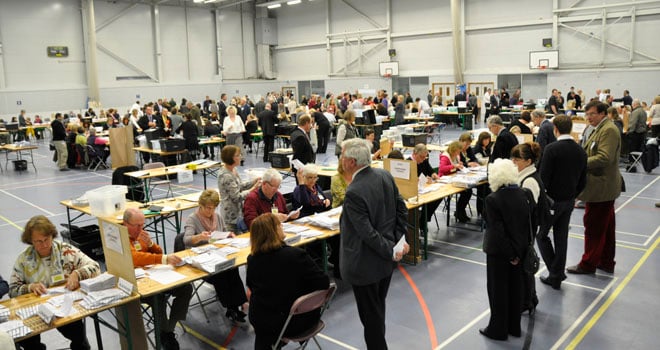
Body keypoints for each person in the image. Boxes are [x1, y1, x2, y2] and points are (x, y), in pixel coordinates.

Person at [339, 138, 409, 349]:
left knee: (370, 318)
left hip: (365, 266)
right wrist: (397, 243)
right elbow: (401, 210)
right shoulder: (384, 175)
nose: (340, 160)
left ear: (351, 162)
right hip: (385, 264)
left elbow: (367, 233)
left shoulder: (354, 192)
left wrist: (392, 250)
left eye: (342, 157)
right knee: (378, 310)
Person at [10, 215, 101, 350]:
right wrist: (30, 287)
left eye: (47, 239)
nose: (44, 244)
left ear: (52, 236)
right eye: (38, 241)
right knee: (28, 341)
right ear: (31, 241)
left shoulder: (64, 250)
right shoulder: (24, 259)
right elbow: (12, 290)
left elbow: (95, 267)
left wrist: (77, 274)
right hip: (35, 309)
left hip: (62, 305)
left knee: (78, 335)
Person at [246, 213, 330, 349]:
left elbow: (251, 287)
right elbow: (323, 282)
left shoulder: (253, 260)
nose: (282, 227)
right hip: (302, 319)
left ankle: (273, 344)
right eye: (279, 225)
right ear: (274, 231)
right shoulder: (296, 255)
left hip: (272, 324)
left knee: (258, 305)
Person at [123, 208, 193, 350]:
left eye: (142, 224)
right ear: (125, 224)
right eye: (137, 225)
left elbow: (158, 252)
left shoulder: (140, 235)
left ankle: (169, 329)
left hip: (156, 275)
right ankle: (164, 334)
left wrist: (150, 244)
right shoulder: (122, 238)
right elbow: (135, 258)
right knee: (159, 298)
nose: (140, 228)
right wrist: (163, 258)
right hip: (140, 285)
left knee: (186, 288)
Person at [479, 159, 532, 341]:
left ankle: (497, 329)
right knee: (515, 290)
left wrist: (510, 255)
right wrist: (518, 253)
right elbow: (528, 225)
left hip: (500, 254)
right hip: (520, 251)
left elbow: (498, 232)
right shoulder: (523, 194)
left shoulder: (492, 200)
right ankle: (513, 326)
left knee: (497, 291)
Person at [568, 100, 622, 275]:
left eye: (592, 114)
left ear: (602, 114)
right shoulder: (600, 128)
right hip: (602, 186)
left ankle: (588, 263)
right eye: (587, 114)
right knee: (605, 227)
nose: (588, 117)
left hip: (601, 187)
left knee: (594, 226)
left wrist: (579, 163)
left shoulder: (608, 130)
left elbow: (604, 157)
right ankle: (606, 261)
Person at [183, 189, 248, 323]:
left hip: (217, 253)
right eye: (208, 208)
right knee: (222, 272)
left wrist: (230, 235)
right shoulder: (192, 219)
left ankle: (238, 303)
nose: (210, 211)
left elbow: (224, 232)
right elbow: (186, 240)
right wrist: (199, 237)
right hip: (202, 259)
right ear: (200, 205)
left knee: (232, 267)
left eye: (213, 208)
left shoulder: (217, 216)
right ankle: (231, 307)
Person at [538, 115, 587, 290]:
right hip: (569, 201)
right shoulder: (580, 150)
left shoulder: (552, 149)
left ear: (555, 129)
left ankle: (555, 273)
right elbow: (583, 180)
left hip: (552, 202)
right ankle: (556, 274)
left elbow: (543, 178)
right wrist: (573, 195)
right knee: (561, 238)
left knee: (541, 235)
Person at [510, 142, 544, 314]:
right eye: (513, 158)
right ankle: (530, 298)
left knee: (525, 266)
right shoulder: (523, 175)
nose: (513, 162)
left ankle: (528, 301)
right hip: (524, 229)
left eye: (517, 159)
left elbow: (526, 211)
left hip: (525, 229)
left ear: (528, 160)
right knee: (524, 265)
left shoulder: (529, 180)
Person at [217, 145, 260, 232]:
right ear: (230, 158)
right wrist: (253, 188)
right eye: (238, 155)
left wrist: (253, 182)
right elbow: (237, 197)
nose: (241, 157)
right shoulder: (226, 176)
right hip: (230, 216)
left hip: (238, 213)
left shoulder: (233, 170)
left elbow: (239, 186)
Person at [290, 114, 315, 181]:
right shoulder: (300, 137)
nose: (311, 126)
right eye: (310, 123)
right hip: (303, 168)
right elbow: (297, 155)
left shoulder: (295, 132)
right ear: (306, 123)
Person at [626, 99, 648, 170]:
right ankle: (636, 161)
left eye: (632, 105)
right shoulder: (643, 111)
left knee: (632, 148)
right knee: (638, 148)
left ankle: (631, 163)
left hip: (636, 133)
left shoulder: (635, 112)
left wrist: (629, 132)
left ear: (634, 105)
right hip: (642, 133)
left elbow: (633, 123)